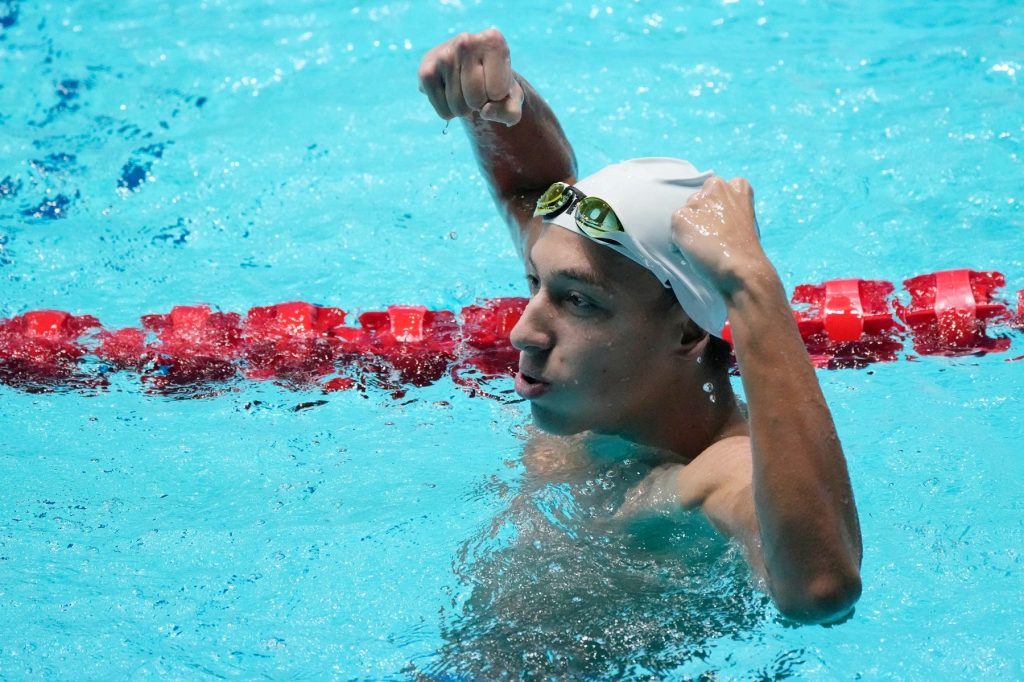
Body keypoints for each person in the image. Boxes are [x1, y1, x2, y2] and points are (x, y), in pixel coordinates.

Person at [417, 28, 861, 625]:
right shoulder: (593, 390)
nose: (523, 333)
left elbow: (821, 590)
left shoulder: (711, 472)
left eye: (579, 302)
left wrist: (753, 286)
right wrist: (500, 103)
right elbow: (527, 189)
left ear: (686, 332)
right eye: (534, 282)